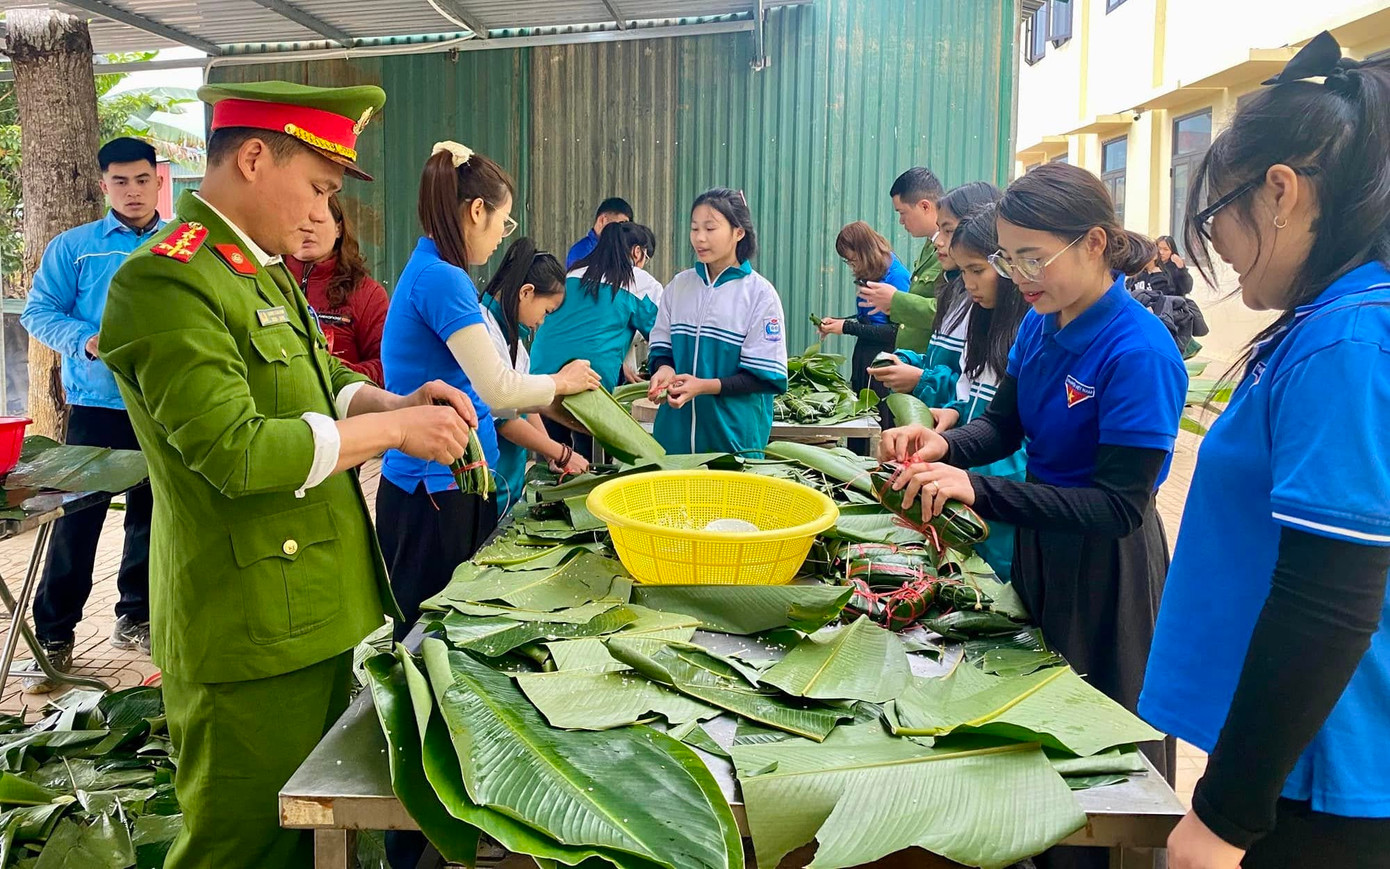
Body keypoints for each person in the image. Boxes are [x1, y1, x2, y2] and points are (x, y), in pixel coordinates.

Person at [99, 81, 486, 869]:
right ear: (251, 158)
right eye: (316, 186)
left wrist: (391, 397)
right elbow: (238, 449)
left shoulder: (255, 267)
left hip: (314, 613)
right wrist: (394, 429)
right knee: (244, 846)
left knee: (318, 836)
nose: (321, 211)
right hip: (246, 630)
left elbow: (309, 384)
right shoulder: (166, 281)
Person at [1140, 33, 1390, 869]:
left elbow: (1329, 597)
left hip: (1328, 778)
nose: (1220, 249)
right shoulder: (1333, 325)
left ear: (1280, 191)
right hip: (1310, 763)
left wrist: (1222, 819)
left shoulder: (1347, 338)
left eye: (1218, 219)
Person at [879, 163, 1186, 805]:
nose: (1021, 277)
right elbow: (1002, 427)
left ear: (1096, 243)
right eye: (1011, 259)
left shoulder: (1138, 352)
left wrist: (976, 489)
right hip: (1043, 548)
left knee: (1100, 760)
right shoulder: (1038, 325)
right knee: (1035, 732)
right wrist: (944, 444)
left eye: (1034, 258)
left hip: (1109, 572)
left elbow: (1117, 506)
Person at [377, 141, 598, 640]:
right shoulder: (442, 279)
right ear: (476, 211)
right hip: (433, 492)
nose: (502, 236)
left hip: (444, 486)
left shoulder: (432, 269)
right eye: (504, 221)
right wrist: (562, 382)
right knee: (429, 640)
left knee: (439, 632)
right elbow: (498, 391)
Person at [19, 136, 164, 688]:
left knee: (153, 519)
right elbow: (38, 312)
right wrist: (87, 341)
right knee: (76, 522)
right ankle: (54, 635)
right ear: (104, 185)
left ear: (158, 181)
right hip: (97, 406)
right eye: (120, 182)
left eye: (142, 180)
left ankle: (136, 616)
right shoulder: (73, 247)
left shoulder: (181, 243)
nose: (132, 191)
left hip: (163, 405)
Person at [930, 202, 1029, 581]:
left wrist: (965, 471)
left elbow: (1020, 442)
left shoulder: (1030, 331)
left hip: (1002, 503)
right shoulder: (983, 319)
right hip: (973, 494)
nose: (968, 283)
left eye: (977, 270)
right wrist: (952, 421)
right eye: (963, 271)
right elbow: (975, 398)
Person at [648, 188, 787, 456]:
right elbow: (662, 345)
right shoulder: (679, 286)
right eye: (694, 228)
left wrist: (703, 387)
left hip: (732, 442)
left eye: (710, 228)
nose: (699, 238)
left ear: (738, 232)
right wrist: (663, 368)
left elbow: (763, 377)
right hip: (674, 442)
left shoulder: (759, 295)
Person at [531, 221, 661, 457]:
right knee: (590, 459)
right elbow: (662, 336)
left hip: (541, 373)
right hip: (589, 380)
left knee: (551, 455)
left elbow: (581, 327)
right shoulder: (640, 281)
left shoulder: (572, 273)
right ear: (637, 252)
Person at [480, 237, 590, 513]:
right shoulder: (484, 332)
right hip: (490, 474)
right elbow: (503, 417)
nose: (541, 321)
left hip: (510, 476)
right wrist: (562, 453)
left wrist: (551, 453)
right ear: (526, 292)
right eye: (546, 311)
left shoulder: (513, 337)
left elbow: (527, 404)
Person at [869, 182, 1002, 407]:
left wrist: (921, 380)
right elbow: (939, 359)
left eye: (949, 231)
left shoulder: (988, 303)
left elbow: (972, 391)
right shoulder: (956, 289)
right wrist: (909, 362)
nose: (939, 241)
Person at [818, 221, 909, 454]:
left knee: (879, 425)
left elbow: (895, 332)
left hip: (884, 357)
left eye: (852, 259)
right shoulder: (872, 272)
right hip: (864, 357)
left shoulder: (897, 277)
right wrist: (838, 322)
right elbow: (868, 318)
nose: (851, 266)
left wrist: (847, 327)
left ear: (865, 251)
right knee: (858, 420)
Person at [286, 193, 388, 385]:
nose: (307, 228)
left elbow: (386, 366)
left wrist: (335, 371)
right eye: (298, 219)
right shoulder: (265, 279)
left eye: (317, 220)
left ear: (338, 228)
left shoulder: (367, 293)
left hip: (343, 409)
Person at [853, 168, 943, 355]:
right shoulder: (929, 247)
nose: (901, 221)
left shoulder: (949, 251)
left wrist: (896, 300)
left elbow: (948, 312)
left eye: (903, 212)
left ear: (925, 206)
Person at [1128, 252, 1209, 357]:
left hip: (1160, 322)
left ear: (1154, 256)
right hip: (1140, 322)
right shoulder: (1136, 276)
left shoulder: (1164, 274)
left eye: (1165, 249)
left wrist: (1181, 269)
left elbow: (1171, 294)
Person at [566, 196, 633, 269]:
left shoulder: (621, 251)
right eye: (621, 224)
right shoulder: (581, 251)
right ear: (603, 220)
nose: (623, 230)